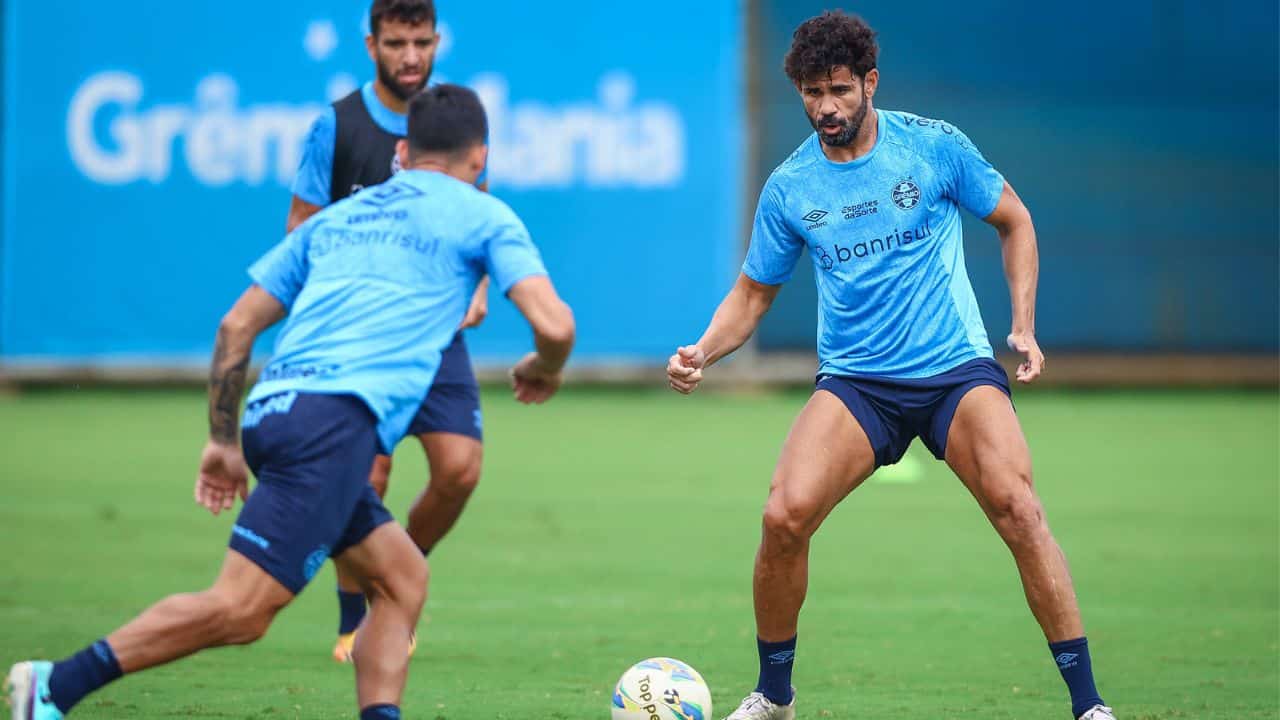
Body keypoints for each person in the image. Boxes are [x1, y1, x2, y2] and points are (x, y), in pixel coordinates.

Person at [5, 83, 574, 720]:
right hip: (332, 425)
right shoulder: (483, 213)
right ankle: (56, 685)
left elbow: (236, 327)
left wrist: (223, 441)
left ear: (405, 151)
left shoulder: (337, 219)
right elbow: (554, 325)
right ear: (482, 158)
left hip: (273, 410)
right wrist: (543, 368)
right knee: (241, 609)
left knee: (401, 578)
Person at [666, 12, 1113, 720]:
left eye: (839, 89)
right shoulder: (791, 187)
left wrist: (1022, 324)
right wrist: (703, 351)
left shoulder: (932, 148)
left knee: (1019, 509)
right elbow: (753, 294)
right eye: (811, 93)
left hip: (953, 373)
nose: (825, 107)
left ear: (870, 83)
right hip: (858, 385)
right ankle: (774, 696)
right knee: (783, 518)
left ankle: (1088, 704)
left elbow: (1015, 219)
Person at [289, 0, 495, 662]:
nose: (410, 56)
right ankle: (357, 616)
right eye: (396, 42)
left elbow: (476, 217)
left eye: (421, 42)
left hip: (435, 335)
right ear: (371, 43)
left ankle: (397, 566)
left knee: (460, 470)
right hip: (359, 340)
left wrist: (480, 288)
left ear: (438, 42)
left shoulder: (450, 123)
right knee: (368, 474)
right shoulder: (338, 126)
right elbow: (301, 230)